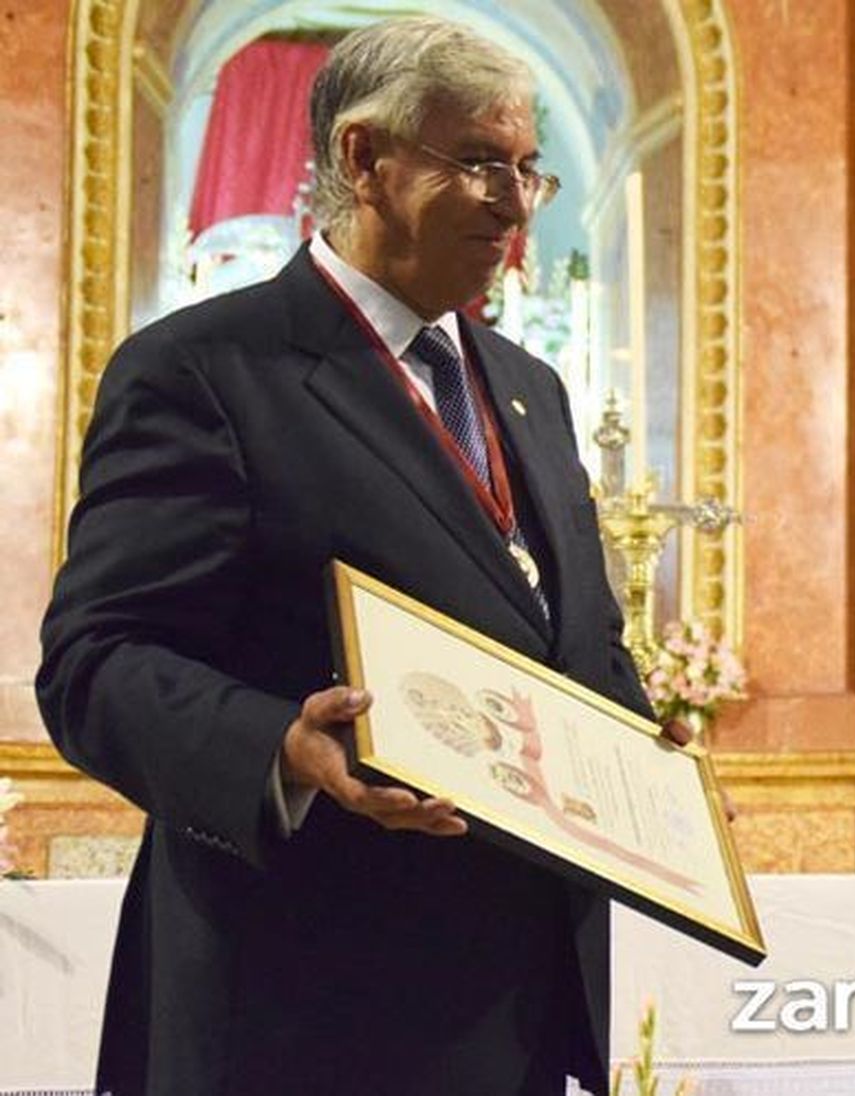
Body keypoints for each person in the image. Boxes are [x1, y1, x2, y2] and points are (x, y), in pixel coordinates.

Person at [36, 18, 668, 1096]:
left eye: (528, 168)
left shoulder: (533, 389)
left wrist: (657, 780)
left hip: (516, 1007)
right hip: (294, 1009)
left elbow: (579, 639)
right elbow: (95, 662)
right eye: (477, 161)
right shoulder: (204, 370)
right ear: (362, 158)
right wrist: (275, 744)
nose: (514, 202)